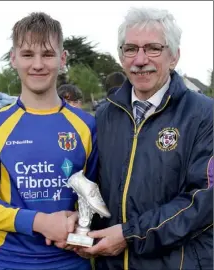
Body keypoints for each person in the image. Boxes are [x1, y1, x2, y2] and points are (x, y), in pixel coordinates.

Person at [74, 7, 213, 270]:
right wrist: (80, 226)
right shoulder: (105, 115)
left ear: (174, 57)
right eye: (130, 49)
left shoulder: (205, 115)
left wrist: (129, 235)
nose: (140, 59)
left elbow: (204, 201)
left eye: (152, 48)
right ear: (121, 56)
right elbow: (92, 189)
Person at [0, 12, 98, 270]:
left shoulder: (87, 125)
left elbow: (98, 193)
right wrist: (39, 222)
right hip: (7, 261)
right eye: (27, 54)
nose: (37, 64)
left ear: (62, 58)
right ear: (13, 58)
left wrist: (82, 222)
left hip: (72, 262)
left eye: (47, 54)